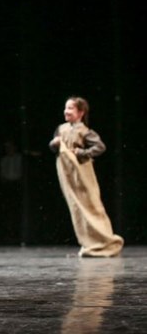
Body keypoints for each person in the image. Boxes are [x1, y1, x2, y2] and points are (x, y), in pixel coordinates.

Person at [48, 96, 123, 257]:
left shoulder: (84, 131)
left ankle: (104, 241)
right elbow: (53, 147)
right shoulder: (61, 129)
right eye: (65, 108)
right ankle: (89, 242)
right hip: (66, 172)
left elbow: (100, 147)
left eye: (70, 108)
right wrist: (54, 144)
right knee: (77, 208)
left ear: (81, 112)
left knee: (90, 204)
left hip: (81, 172)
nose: (66, 111)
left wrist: (82, 152)